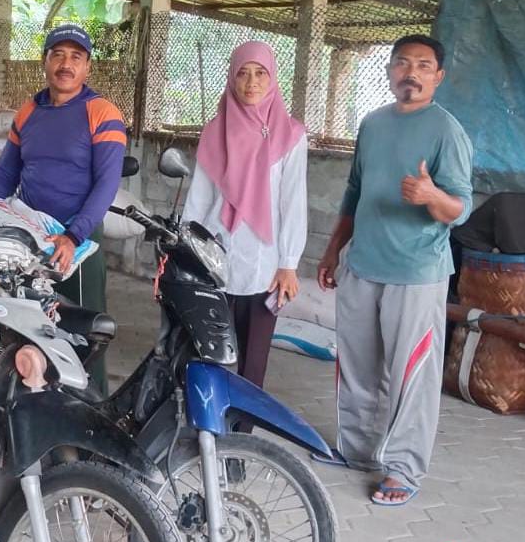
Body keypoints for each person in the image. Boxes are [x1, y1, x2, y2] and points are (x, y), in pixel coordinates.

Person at [315, 34, 473, 508]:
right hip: (363, 264)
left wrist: (431, 196)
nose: (412, 73)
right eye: (403, 63)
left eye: (423, 66)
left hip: (417, 272)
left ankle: (403, 468)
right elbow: (354, 192)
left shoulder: (447, 131)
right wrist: (333, 251)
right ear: (389, 71)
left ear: (438, 76)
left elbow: (460, 208)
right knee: (358, 366)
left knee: (411, 375)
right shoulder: (373, 124)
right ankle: (358, 451)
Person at [0, 24, 126, 383]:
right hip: (28, 236)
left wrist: (73, 237)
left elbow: (107, 183)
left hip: (76, 241)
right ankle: (30, 402)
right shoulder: (30, 111)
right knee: (26, 325)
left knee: (83, 329)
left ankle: (90, 404)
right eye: (57, 54)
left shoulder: (102, 112)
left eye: (76, 57)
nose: (66, 64)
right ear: (44, 61)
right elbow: (4, 175)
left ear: (87, 67)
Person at [182, 42, 308, 389]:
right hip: (216, 258)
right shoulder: (214, 131)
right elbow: (199, 199)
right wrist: (187, 253)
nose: (251, 82)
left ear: (273, 78)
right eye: (243, 73)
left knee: (253, 363)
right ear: (232, 78)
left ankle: (244, 423)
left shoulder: (291, 135)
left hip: (264, 264)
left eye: (260, 73)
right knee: (210, 354)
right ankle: (209, 420)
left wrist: (289, 263)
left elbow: (293, 202)